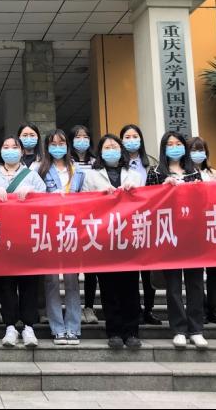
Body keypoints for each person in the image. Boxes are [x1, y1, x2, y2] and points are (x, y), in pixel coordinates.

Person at [0, 136, 47, 349]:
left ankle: (28, 326)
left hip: (27, 237)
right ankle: (10, 326)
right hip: (2, 238)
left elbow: (46, 200)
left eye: (14, 147)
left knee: (29, 284)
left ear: (22, 152)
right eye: (6, 146)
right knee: (6, 285)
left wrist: (33, 193)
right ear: (0, 151)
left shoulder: (32, 175)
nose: (10, 150)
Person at [83, 134, 143, 349]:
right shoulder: (91, 176)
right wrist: (100, 196)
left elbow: (146, 202)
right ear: (100, 152)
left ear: (121, 150)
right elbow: (84, 202)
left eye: (114, 147)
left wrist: (134, 193)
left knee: (130, 288)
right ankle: (114, 331)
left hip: (129, 237)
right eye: (106, 147)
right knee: (109, 288)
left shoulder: (135, 175)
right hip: (104, 238)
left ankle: (132, 331)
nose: (111, 150)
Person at [146, 131, 206, 349]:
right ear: (163, 148)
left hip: (192, 235)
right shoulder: (155, 172)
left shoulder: (194, 172)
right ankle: (179, 329)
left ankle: (196, 329)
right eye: (169, 144)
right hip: (168, 234)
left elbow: (203, 201)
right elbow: (147, 202)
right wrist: (163, 189)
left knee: (195, 284)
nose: (174, 147)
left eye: (178, 143)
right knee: (173, 286)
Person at [33, 130, 86, 345]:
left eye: (61, 143)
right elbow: (34, 197)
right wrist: (49, 197)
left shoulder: (78, 170)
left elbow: (87, 197)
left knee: (72, 281)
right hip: (50, 229)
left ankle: (73, 328)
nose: (57, 147)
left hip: (73, 229)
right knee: (52, 281)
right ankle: (57, 329)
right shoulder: (40, 169)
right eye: (53, 143)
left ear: (67, 145)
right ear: (47, 147)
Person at [120, 123, 160, 327]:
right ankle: (133, 309)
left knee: (148, 271)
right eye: (127, 137)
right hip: (126, 221)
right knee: (131, 270)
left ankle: (149, 309)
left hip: (148, 219)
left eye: (134, 136)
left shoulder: (151, 163)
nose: (131, 140)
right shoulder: (118, 163)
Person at [189, 136, 216, 326]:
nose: (198, 153)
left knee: (214, 271)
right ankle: (201, 307)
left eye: (201, 150)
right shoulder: (185, 174)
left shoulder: (213, 173)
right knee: (196, 271)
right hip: (193, 227)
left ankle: (214, 308)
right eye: (193, 150)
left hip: (213, 223)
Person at [69, 124, 99, 325]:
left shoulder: (96, 163)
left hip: (93, 218)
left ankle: (89, 307)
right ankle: (74, 308)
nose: (82, 140)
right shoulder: (67, 162)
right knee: (73, 268)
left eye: (85, 136)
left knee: (91, 268)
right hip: (72, 219)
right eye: (78, 137)